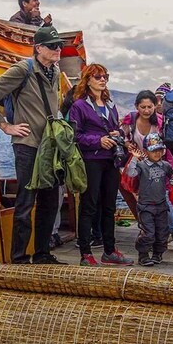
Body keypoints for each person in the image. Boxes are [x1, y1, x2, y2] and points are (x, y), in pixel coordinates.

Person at [0, 25, 66, 264]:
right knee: (26, 201)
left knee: (50, 201)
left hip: (50, 146)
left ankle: (42, 254)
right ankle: (18, 258)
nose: (57, 49)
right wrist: (5, 126)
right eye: (52, 46)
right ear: (38, 48)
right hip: (27, 144)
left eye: (59, 45)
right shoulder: (22, 69)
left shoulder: (55, 72)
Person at [67, 63, 133, 266]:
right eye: (98, 76)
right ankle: (86, 253)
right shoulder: (79, 106)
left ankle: (109, 251)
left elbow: (118, 129)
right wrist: (98, 141)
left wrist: (118, 134)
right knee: (89, 205)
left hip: (111, 160)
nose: (103, 79)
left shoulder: (111, 105)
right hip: (91, 161)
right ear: (87, 80)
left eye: (105, 76)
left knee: (109, 207)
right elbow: (74, 135)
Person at [121, 90, 173, 252]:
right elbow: (125, 137)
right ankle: (149, 233)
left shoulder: (160, 122)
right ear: (137, 107)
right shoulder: (131, 119)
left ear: (155, 106)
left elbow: (169, 143)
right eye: (142, 107)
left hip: (160, 164)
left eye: (149, 106)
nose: (146, 110)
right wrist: (128, 145)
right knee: (142, 200)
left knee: (164, 198)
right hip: (140, 165)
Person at [125, 133, 173, 266]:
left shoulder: (165, 165)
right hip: (145, 206)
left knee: (162, 232)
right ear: (145, 152)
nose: (156, 154)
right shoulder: (142, 165)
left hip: (161, 205)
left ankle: (158, 254)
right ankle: (143, 254)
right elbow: (130, 173)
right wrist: (134, 158)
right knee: (148, 232)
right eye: (153, 151)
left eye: (159, 150)